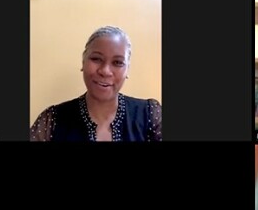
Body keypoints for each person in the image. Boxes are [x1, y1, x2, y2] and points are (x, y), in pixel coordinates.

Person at [30, 26, 162, 142]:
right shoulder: (52, 121)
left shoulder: (149, 115)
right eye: (96, 59)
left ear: (127, 70)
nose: (105, 71)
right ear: (83, 62)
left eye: (117, 62)